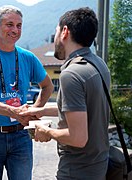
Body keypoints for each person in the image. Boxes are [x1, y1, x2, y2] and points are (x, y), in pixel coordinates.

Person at [20, 7, 110, 179]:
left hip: (76, 170)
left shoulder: (72, 74)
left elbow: (78, 138)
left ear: (65, 32)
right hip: (98, 164)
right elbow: (84, 109)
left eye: (56, 32)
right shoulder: (99, 65)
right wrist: (41, 111)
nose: (54, 39)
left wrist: (46, 132)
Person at [0, 5, 53, 180]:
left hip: (21, 135)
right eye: (9, 24)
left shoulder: (28, 57)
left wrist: (34, 111)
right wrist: (11, 111)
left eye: (19, 25)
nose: (15, 30)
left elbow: (48, 86)